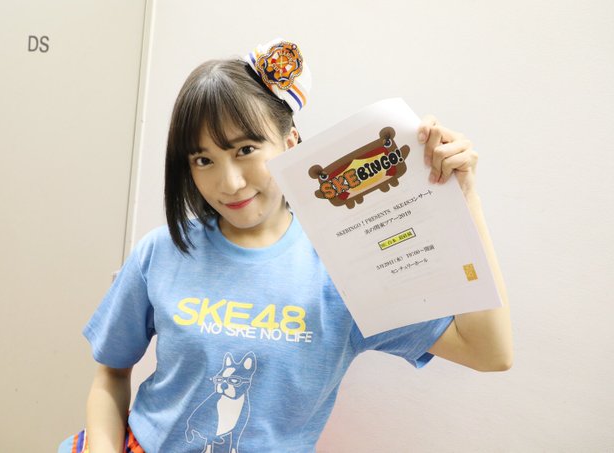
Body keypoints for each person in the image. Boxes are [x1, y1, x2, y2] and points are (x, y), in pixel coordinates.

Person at [59, 39, 512, 453]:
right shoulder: (160, 252)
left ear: (290, 143)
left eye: (245, 150)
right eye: (203, 159)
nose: (229, 183)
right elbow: (111, 373)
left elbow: (489, 351)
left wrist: (464, 197)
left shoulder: (344, 265)